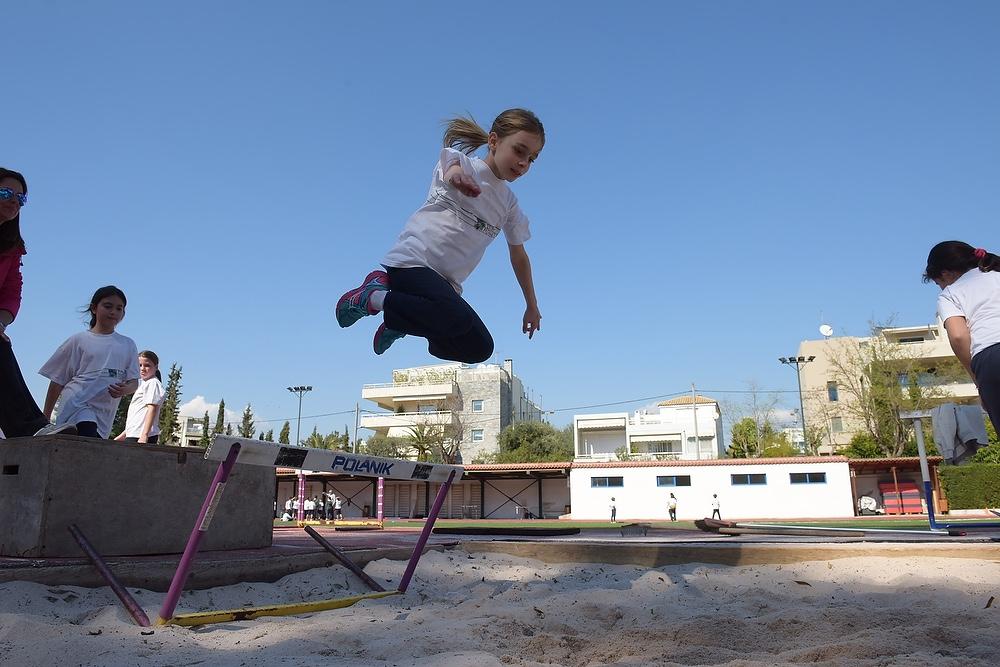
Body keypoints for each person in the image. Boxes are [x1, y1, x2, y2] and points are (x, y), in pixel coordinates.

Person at [336, 109, 545, 362]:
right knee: (455, 317)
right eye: (519, 150)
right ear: (493, 141)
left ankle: (403, 321)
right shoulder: (461, 162)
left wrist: (531, 305)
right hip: (413, 263)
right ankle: (371, 296)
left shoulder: (509, 205)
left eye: (532, 158)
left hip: (445, 286)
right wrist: (457, 179)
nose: (524, 162)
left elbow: (519, 256)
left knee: (479, 348)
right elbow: (451, 169)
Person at [0, 167, 76, 438]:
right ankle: (28, 428)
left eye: (21, 198)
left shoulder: (11, 247)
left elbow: (11, 290)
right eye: (6, 192)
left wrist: (1, 321)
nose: (14, 201)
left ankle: (28, 429)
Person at [39, 286, 140, 439]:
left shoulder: (128, 344)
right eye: (108, 306)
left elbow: (134, 382)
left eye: (119, 308)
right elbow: (57, 380)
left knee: (91, 448)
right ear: (94, 308)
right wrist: (45, 418)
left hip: (105, 413)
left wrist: (124, 390)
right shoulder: (78, 340)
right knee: (87, 428)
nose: (113, 312)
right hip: (77, 404)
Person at [924, 241, 1000, 431]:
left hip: (991, 358)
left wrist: (978, 381)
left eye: (938, 283)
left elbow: (958, 336)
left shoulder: (950, 294)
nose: (941, 288)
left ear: (945, 274)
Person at [114, 350, 164, 444]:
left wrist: (144, 435)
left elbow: (152, 409)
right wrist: (124, 435)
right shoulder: (143, 384)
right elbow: (138, 415)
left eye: (147, 365)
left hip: (141, 436)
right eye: (139, 365)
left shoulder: (153, 383)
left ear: (156, 367)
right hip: (134, 433)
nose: (142, 368)